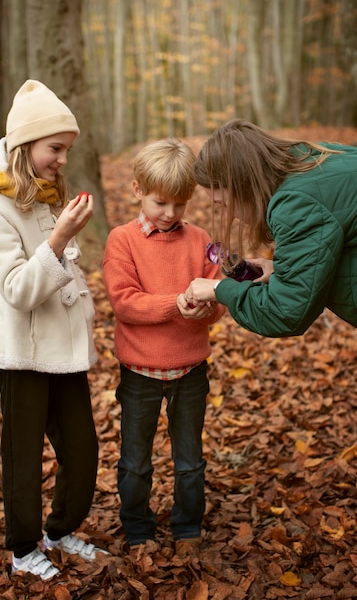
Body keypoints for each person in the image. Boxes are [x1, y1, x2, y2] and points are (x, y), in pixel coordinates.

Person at [0, 79, 108, 580]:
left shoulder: (45, 196)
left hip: (63, 350)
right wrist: (63, 236)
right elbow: (19, 290)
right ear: (26, 145)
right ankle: (24, 550)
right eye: (55, 149)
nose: (63, 160)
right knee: (22, 457)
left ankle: (60, 530)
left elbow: (61, 269)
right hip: (22, 354)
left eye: (67, 150)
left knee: (83, 451)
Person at [102, 138, 225, 558]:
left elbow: (219, 294)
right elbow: (124, 301)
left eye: (180, 204)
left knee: (189, 458)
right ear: (138, 190)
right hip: (140, 373)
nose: (170, 214)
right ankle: (138, 528)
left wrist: (205, 310)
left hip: (191, 371)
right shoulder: (122, 241)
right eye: (160, 203)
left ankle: (188, 526)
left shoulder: (202, 238)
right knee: (136, 461)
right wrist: (174, 303)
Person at [184, 117, 357, 337]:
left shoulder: (296, 205)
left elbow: (285, 314)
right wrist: (282, 269)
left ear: (246, 186)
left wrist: (219, 289)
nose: (231, 216)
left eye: (226, 204)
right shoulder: (314, 160)